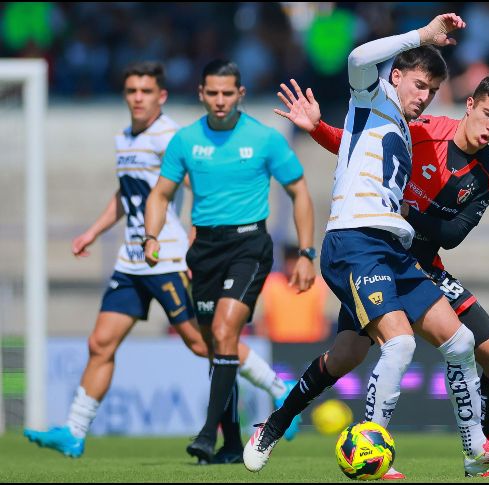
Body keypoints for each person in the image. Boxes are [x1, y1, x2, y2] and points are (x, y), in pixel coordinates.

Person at [244, 14, 489, 478]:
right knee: (398, 343)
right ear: (395, 76)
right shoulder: (374, 97)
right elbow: (359, 58)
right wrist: (421, 36)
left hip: (395, 250)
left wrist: (322, 132)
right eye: (418, 85)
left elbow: (357, 148)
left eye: (431, 91)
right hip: (356, 241)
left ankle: (476, 450)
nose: (423, 97)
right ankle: (371, 445)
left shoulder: (404, 126)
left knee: (452, 342)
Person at [23, 61, 301, 463]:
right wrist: (93, 232)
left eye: (146, 91)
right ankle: (74, 431)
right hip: (132, 260)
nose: (138, 98)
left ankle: (278, 390)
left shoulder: (172, 136)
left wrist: (198, 233)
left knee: (205, 343)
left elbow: (201, 183)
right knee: (100, 342)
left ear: (161, 96)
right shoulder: (124, 139)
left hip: (167, 258)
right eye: (131, 91)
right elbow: (128, 193)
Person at [142, 59, 316, 465]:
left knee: (223, 331)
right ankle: (233, 445)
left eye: (227, 93)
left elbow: (299, 191)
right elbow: (160, 194)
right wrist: (150, 237)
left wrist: (307, 253)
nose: (220, 100)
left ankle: (207, 434)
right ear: (201, 94)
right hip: (204, 250)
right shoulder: (185, 141)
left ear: (240, 94)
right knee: (216, 346)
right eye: (213, 93)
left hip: (248, 245)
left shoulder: (264, 139)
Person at [257, 243, 330, 343]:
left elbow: (325, 322)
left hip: (310, 345)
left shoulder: (318, 285)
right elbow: (262, 322)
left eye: (295, 261)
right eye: (289, 261)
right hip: (278, 346)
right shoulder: (271, 284)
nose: (291, 266)